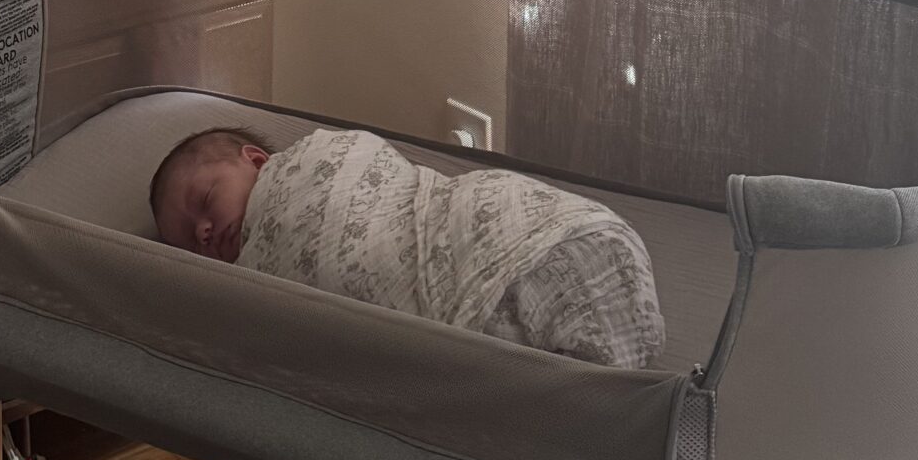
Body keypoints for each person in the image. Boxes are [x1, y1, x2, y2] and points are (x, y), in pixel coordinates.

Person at [149, 123, 665, 370]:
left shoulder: (317, 160)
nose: (203, 232)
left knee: (566, 265)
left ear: (258, 161)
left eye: (205, 200)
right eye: (188, 242)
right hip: (467, 307)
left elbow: (384, 186)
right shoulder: (249, 287)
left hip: (505, 225)